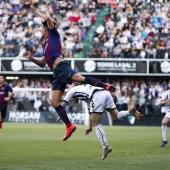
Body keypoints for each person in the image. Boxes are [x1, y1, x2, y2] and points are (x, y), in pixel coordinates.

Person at [23, 10, 116, 141]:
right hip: (56, 73)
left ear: (45, 29)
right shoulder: (45, 45)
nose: (41, 30)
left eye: (42, 28)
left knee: (80, 79)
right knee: (55, 102)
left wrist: (37, 11)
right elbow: (43, 64)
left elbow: (48, 19)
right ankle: (69, 126)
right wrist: (31, 58)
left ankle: (106, 87)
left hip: (61, 67)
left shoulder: (53, 35)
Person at [60, 84, 144, 159]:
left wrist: (61, 114)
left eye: (71, 100)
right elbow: (90, 111)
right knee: (116, 116)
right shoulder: (84, 92)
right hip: (105, 93)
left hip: (97, 96)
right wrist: (89, 126)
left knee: (97, 124)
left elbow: (63, 104)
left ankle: (106, 147)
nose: (71, 102)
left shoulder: (71, 91)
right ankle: (129, 112)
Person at [159, 82, 170, 147]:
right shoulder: (167, 92)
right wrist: (166, 101)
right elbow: (161, 102)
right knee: (164, 123)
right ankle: (164, 140)